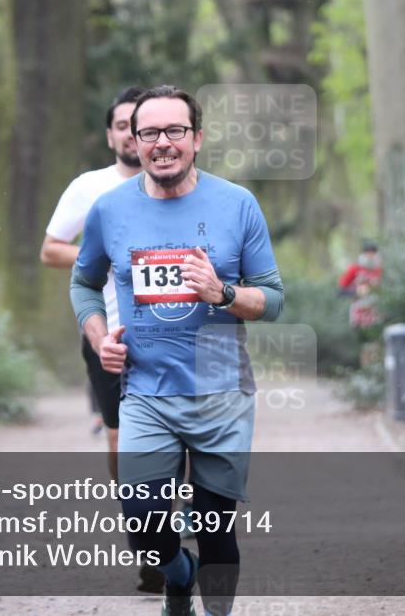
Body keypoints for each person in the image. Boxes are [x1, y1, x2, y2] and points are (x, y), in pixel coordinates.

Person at [70, 85, 284, 616]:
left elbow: (274, 300)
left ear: (197, 138)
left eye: (175, 132)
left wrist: (224, 294)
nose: (162, 143)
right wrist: (100, 339)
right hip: (144, 388)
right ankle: (177, 573)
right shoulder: (109, 209)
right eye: (149, 133)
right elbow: (82, 283)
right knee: (142, 517)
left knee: (216, 527)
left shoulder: (237, 204)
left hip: (220, 393)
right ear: (133, 141)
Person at [40, 86, 166, 595]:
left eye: (142, 125)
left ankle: (165, 534)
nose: (132, 134)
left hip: (176, 336)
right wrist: (105, 254)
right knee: (123, 443)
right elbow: (51, 249)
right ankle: (146, 532)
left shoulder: (182, 186)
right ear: (112, 134)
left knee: (176, 441)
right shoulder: (89, 187)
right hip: (109, 336)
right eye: (121, 125)